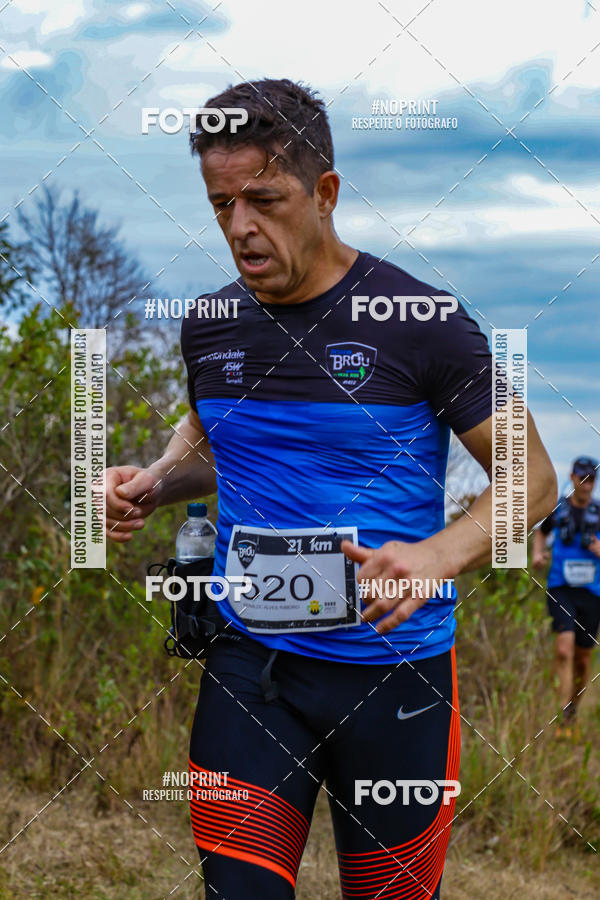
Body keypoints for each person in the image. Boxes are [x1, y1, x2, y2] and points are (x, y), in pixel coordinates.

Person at [104, 79, 556, 899]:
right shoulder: (209, 323)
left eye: (264, 200)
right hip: (251, 666)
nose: (240, 227)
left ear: (325, 193)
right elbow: (222, 447)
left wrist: (438, 554)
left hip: (397, 677)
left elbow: (535, 476)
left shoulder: (421, 320)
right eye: (220, 205)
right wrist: (154, 483)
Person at [533, 456, 600, 738]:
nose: (586, 485)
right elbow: (541, 532)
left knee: (583, 660)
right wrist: (537, 554)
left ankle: (571, 714)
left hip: (592, 593)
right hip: (561, 587)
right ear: (572, 478)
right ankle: (561, 715)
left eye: (591, 479)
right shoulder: (558, 509)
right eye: (582, 478)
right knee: (564, 648)